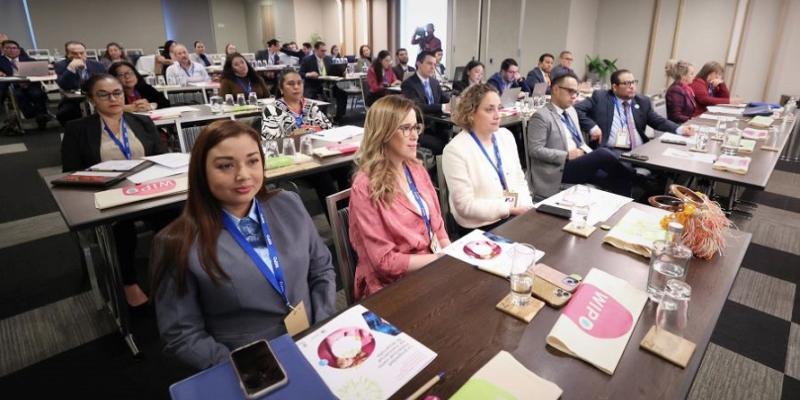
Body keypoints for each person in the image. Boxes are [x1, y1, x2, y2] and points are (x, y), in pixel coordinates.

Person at [151, 119, 336, 369]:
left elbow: (322, 269)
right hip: (248, 363)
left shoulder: (288, 203)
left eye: (252, 161)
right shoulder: (176, 243)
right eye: (225, 166)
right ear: (201, 173)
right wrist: (241, 367)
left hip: (313, 341)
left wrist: (321, 326)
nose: (243, 175)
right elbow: (183, 335)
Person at [61, 74, 167, 308]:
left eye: (117, 93)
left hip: (147, 190)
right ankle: (128, 281)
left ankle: (175, 271)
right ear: (91, 99)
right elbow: (70, 172)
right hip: (108, 194)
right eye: (103, 94)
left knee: (180, 215)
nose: (113, 98)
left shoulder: (141, 122)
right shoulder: (77, 129)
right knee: (122, 227)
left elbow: (161, 157)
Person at [348, 95, 450, 300]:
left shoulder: (415, 168)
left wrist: (451, 256)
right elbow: (384, 262)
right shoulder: (365, 186)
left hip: (430, 266)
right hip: (390, 287)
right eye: (406, 129)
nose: (415, 136)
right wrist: (440, 259)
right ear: (383, 133)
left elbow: (438, 227)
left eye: (416, 127)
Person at [442, 84, 533, 234]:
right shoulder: (455, 150)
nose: (497, 115)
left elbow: (519, 179)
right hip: (480, 226)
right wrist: (510, 209)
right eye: (489, 109)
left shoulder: (505, 136)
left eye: (499, 108)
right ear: (471, 112)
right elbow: (465, 207)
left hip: (513, 213)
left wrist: (528, 207)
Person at [528, 72, 633, 198]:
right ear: (555, 89)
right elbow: (534, 150)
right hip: (559, 169)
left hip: (578, 161)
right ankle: (639, 179)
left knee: (617, 179)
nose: (574, 96)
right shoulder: (541, 116)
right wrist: (566, 155)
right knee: (602, 153)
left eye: (576, 92)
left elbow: (579, 141)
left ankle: (624, 208)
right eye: (570, 91)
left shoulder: (571, 111)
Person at [260, 68, 350, 212]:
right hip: (294, 158)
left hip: (319, 153)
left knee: (345, 169)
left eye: (299, 83)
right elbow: (270, 142)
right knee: (323, 178)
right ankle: (339, 224)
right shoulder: (272, 110)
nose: (296, 87)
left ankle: (349, 215)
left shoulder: (310, 106)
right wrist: (296, 134)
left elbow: (329, 128)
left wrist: (314, 130)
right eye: (290, 84)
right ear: (281, 88)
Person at [575, 69, 695, 151]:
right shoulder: (601, 97)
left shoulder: (642, 101)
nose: (632, 86)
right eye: (626, 83)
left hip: (639, 150)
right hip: (612, 150)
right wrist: (592, 127)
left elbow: (658, 121)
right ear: (615, 87)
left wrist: (680, 129)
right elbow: (576, 109)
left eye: (633, 82)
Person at [401, 51, 451, 155]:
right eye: (429, 63)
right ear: (419, 64)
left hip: (437, 124)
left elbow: (444, 98)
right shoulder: (408, 84)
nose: (433, 67)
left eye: (434, 64)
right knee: (441, 146)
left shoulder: (434, 82)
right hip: (420, 128)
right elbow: (416, 107)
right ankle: (435, 169)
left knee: (452, 141)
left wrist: (455, 101)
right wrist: (442, 107)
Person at [0, 39, 51, 128]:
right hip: (13, 86)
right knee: (19, 95)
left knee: (37, 94)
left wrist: (46, 71)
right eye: (8, 48)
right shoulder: (1, 61)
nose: (12, 50)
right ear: (3, 50)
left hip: (30, 84)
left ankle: (41, 117)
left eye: (14, 48)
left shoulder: (29, 60)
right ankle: (32, 114)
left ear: (19, 50)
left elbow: (41, 72)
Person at [55, 40, 106, 125]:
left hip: (98, 96)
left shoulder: (97, 65)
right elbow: (63, 85)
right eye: (74, 53)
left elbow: (106, 80)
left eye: (81, 53)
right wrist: (71, 69)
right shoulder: (61, 65)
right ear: (67, 54)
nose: (79, 56)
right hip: (75, 100)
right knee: (64, 115)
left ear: (86, 53)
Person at [298, 41, 348, 123]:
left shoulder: (329, 59)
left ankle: (339, 117)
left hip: (328, 85)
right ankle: (313, 118)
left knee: (342, 94)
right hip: (313, 85)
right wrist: (308, 74)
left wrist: (341, 72)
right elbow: (300, 73)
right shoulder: (307, 60)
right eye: (322, 51)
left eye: (325, 50)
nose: (324, 53)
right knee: (311, 97)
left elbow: (333, 71)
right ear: (316, 50)